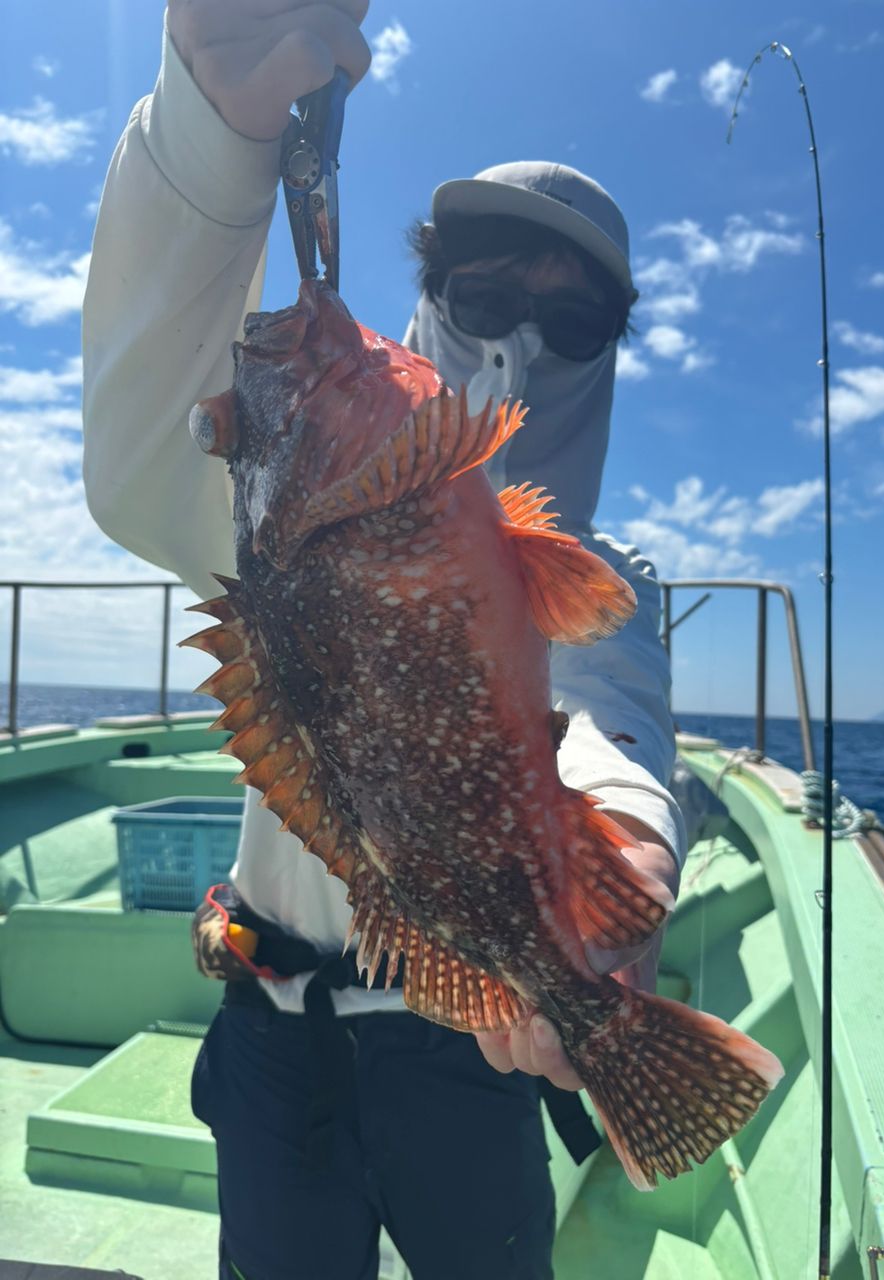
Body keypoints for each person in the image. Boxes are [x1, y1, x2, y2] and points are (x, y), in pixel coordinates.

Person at [81, 4, 686, 1277]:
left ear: (608, 356)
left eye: (570, 320)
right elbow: (141, 464)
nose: (519, 329)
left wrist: (618, 864)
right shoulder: (290, 499)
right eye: (481, 290)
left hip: (458, 1044)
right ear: (427, 291)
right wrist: (212, 133)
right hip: (268, 1025)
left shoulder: (592, 579)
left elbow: (604, 729)